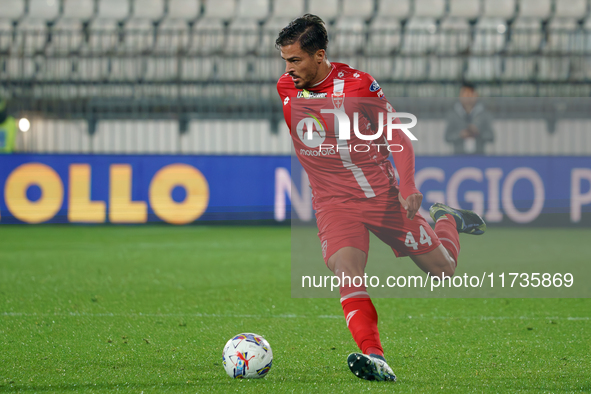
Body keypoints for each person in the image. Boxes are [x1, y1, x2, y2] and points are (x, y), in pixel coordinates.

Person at [276, 15, 487, 382]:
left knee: (443, 270)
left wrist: (407, 187)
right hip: (333, 204)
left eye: (295, 60)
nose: (288, 69)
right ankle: (375, 356)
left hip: (383, 198)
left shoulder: (359, 87)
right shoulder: (286, 87)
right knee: (346, 269)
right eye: (285, 61)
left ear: (320, 55)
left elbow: (398, 137)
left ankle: (447, 218)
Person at [445, 82, 494, 155]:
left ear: (476, 95)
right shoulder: (453, 114)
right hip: (459, 157)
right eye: (465, 94)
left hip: (479, 157)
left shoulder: (484, 114)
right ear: (460, 96)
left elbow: (491, 136)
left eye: (470, 94)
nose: (467, 98)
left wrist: (478, 133)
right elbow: (447, 137)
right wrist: (460, 134)